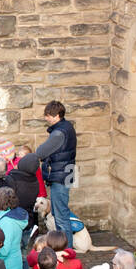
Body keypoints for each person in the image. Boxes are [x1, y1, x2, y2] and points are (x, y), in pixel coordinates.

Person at [35, 100, 77, 248]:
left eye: (49, 115)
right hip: (67, 173)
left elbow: (40, 152)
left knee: (61, 217)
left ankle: (67, 251)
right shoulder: (67, 126)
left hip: (61, 176)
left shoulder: (59, 133)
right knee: (62, 214)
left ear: (57, 116)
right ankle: (64, 248)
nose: (46, 118)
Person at [6, 152, 42, 221]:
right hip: (28, 218)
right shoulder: (35, 182)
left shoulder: (13, 178)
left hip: (14, 219)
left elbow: (6, 201)